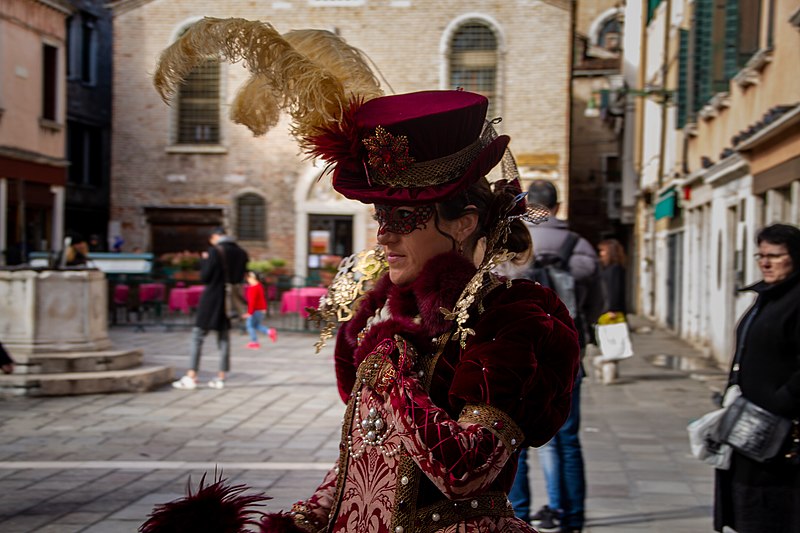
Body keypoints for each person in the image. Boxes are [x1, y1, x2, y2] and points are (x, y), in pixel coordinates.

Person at [144, 19, 581, 533]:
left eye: (403, 220)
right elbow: (367, 463)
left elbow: (466, 471)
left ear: (462, 223)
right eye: (381, 219)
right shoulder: (405, 319)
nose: (384, 237)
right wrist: (303, 521)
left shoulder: (509, 318)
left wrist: (391, 376)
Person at [507, 180, 602, 533]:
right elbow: (597, 306)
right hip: (568, 356)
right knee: (567, 438)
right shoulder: (580, 247)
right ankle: (570, 517)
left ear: (527, 205)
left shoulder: (513, 246)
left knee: (514, 436)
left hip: (520, 357)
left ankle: (519, 515)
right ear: (558, 207)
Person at [714, 223, 800, 533]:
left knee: (774, 515)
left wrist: (781, 402)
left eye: (775, 256)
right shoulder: (767, 295)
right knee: (747, 510)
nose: (765, 262)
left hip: (783, 435)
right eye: (761, 255)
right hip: (751, 428)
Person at [172, 227, 249, 390]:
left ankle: (192, 375)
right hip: (229, 300)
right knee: (223, 338)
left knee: (197, 335)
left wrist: (204, 260)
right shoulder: (241, 253)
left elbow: (205, 276)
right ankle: (221, 376)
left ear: (215, 237)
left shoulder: (214, 251)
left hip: (212, 297)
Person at [243, 271, 278, 349]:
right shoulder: (259, 286)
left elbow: (252, 302)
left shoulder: (252, 288)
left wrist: (249, 313)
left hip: (255, 310)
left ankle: (254, 342)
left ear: (252, 278)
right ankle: (270, 332)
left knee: (249, 326)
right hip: (261, 309)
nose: (248, 280)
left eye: (248, 278)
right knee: (256, 325)